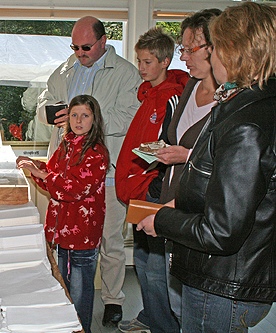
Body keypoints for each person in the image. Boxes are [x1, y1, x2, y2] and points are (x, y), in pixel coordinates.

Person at [138, 2, 276, 332]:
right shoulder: (244, 104)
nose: (211, 58)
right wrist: (177, 204)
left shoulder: (246, 124)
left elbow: (222, 232)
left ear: (232, 52)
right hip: (225, 278)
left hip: (223, 284)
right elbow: (221, 188)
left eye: (215, 49)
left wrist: (164, 219)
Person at [36, 15, 142, 326]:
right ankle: (67, 297)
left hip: (105, 171)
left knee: (110, 240)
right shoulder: (68, 66)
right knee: (66, 239)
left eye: (85, 47)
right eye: (74, 46)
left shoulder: (125, 73)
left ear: (102, 41)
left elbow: (129, 116)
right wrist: (52, 113)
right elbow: (45, 98)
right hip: (67, 169)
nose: (79, 53)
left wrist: (85, 118)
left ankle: (112, 299)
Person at [148, 9, 221, 328]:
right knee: (175, 298)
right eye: (184, 48)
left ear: (216, 47)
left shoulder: (230, 98)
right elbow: (174, 135)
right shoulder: (190, 86)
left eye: (191, 48)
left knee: (193, 305)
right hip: (172, 199)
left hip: (199, 211)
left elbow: (227, 160)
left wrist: (186, 155)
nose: (185, 56)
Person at [115, 27, 189, 333]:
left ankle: (164, 325)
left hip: (154, 190)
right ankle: (151, 316)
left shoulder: (172, 97)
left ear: (165, 61)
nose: (141, 67)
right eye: (139, 61)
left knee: (155, 266)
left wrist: (155, 187)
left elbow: (169, 145)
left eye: (147, 62)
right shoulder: (148, 94)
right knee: (144, 262)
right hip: (139, 189)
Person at [17, 95, 109, 333]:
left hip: (83, 236)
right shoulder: (66, 143)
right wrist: (35, 166)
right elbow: (53, 177)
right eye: (74, 115)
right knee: (63, 286)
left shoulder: (96, 153)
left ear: (94, 119)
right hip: (60, 232)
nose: (78, 120)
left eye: (85, 115)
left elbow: (74, 188)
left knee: (79, 294)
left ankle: (81, 329)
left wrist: (44, 175)